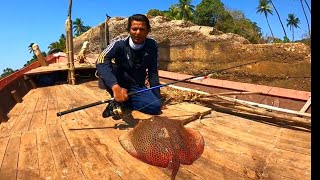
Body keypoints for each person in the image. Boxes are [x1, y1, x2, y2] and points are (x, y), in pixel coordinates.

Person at [96, 14, 161, 119]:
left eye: (142, 29)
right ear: (128, 30)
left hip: (137, 86)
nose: (138, 33)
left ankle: (121, 102)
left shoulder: (152, 45)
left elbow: (153, 72)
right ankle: (116, 95)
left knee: (155, 107)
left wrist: (157, 97)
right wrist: (115, 87)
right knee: (104, 68)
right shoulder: (119, 43)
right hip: (119, 82)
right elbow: (101, 60)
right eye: (134, 29)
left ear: (148, 31)